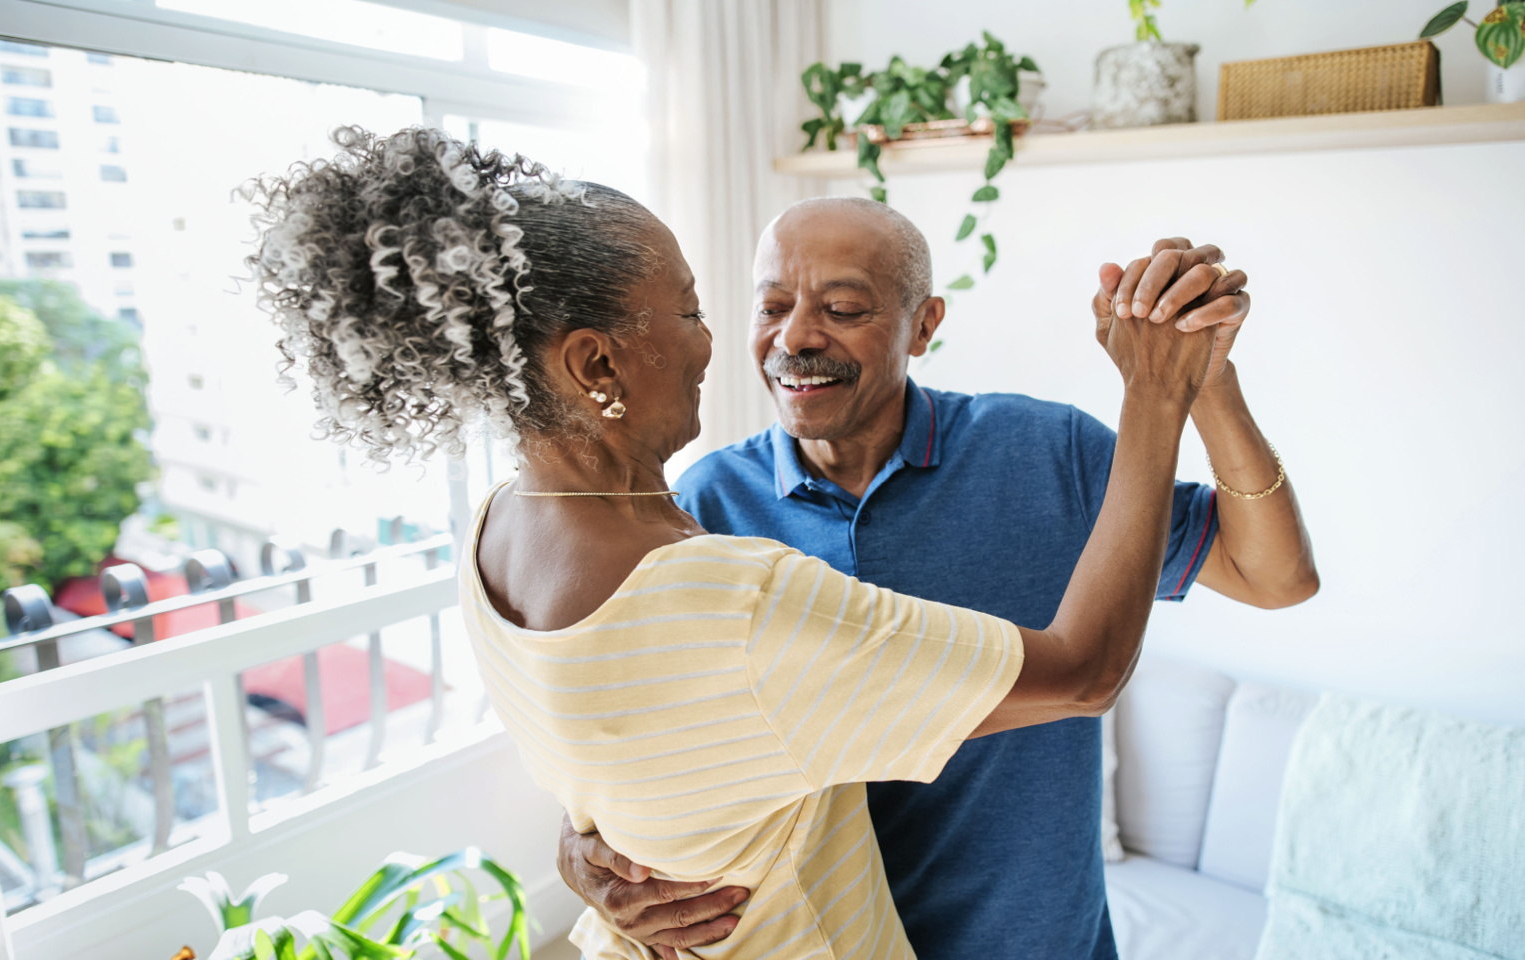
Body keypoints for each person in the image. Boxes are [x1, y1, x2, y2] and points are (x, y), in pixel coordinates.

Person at [245, 128, 1241, 960]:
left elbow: (622, 739)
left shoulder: (497, 531)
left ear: (919, 323)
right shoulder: (725, 585)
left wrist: (595, 847)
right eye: (693, 310)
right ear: (594, 363)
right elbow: (1082, 672)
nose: (731, 342)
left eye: (841, 307)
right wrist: (1157, 392)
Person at [556, 198, 1319, 960]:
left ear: (924, 325)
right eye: (773, 306)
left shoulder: (1048, 453)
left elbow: (1276, 575)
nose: (796, 337)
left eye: (844, 307)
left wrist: (1205, 379)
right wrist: (581, 855)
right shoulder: (703, 507)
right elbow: (631, 734)